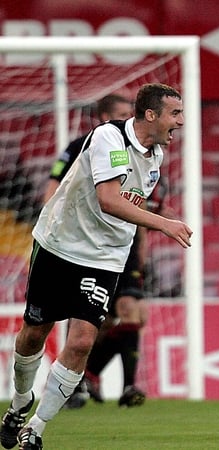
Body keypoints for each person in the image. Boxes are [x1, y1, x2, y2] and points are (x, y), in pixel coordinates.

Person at [0, 83, 192, 450]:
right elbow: (108, 200)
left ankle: (36, 428)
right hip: (58, 244)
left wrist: (152, 223)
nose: (180, 122)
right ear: (150, 115)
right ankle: (20, 401)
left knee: (82, 340)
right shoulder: (108, 137)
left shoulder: (155, 156)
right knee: (34, 332)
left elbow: (129, 206)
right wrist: (164, 223)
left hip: (104, 256)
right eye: (175, 114)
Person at [42, 94, 151, 410]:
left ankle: (128, 385)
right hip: (84, 244)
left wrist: (140, 248)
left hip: (123, 245)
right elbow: (52, 190)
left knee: (131, 310)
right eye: (119, 113)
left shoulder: (140, 151)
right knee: (93, 321)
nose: (127, 118)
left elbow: (137, 202)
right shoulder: (79, 146)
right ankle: (78, 380)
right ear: (104, 117)